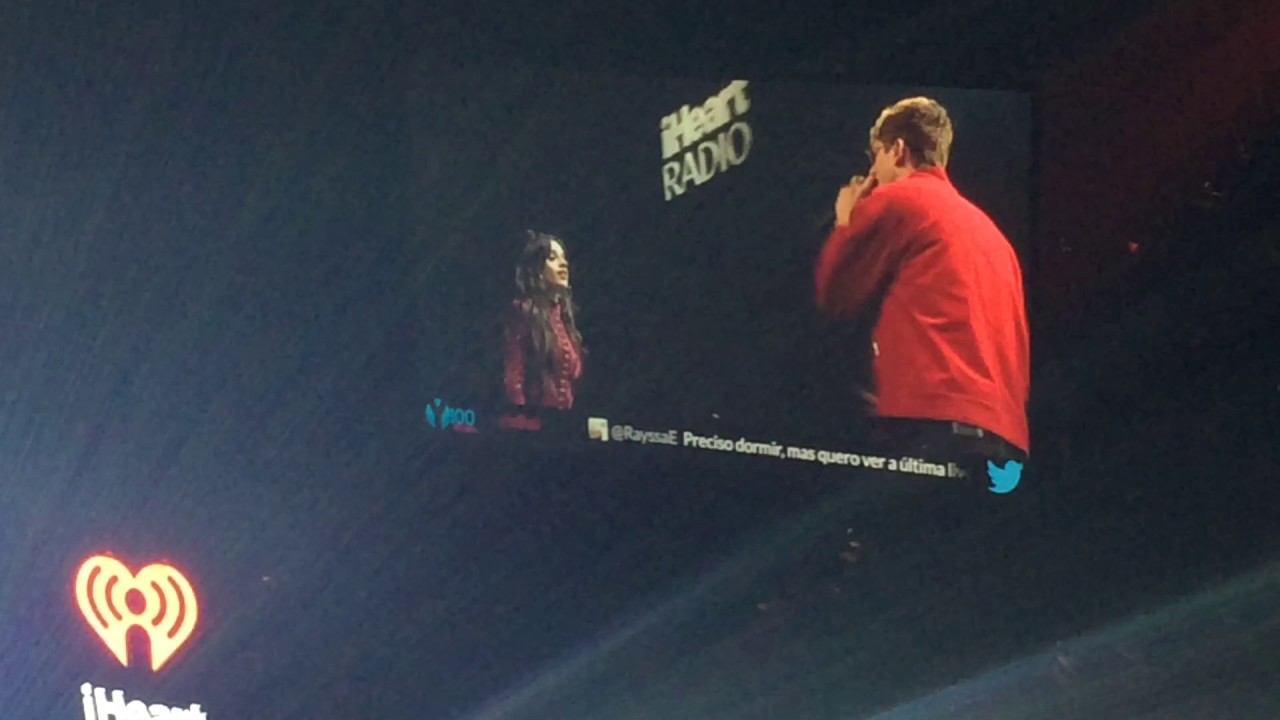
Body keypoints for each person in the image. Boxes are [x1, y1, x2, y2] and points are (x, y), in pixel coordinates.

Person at [814, 97, 1030, 466]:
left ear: (897, 150)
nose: (872, 174)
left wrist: (845, 220)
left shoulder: (897, 199)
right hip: (1006, 442)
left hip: (933, 427)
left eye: (875, 157)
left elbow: (834, 294)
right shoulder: (994, 236)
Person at [503, 230, 585, 411]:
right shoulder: (523, 311)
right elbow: (513, 379)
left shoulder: (564, 318)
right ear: (538, 268)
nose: (564, 264)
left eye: (564, 258)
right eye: (553, 258)